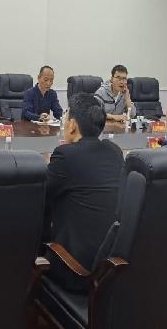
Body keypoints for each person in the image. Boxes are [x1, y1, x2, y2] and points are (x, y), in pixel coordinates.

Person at [45, 93, 124, 292]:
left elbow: (41, 196)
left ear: (72, 125)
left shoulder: (66, 155)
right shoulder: (114, 152)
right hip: (110, 270)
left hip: (75, 269)